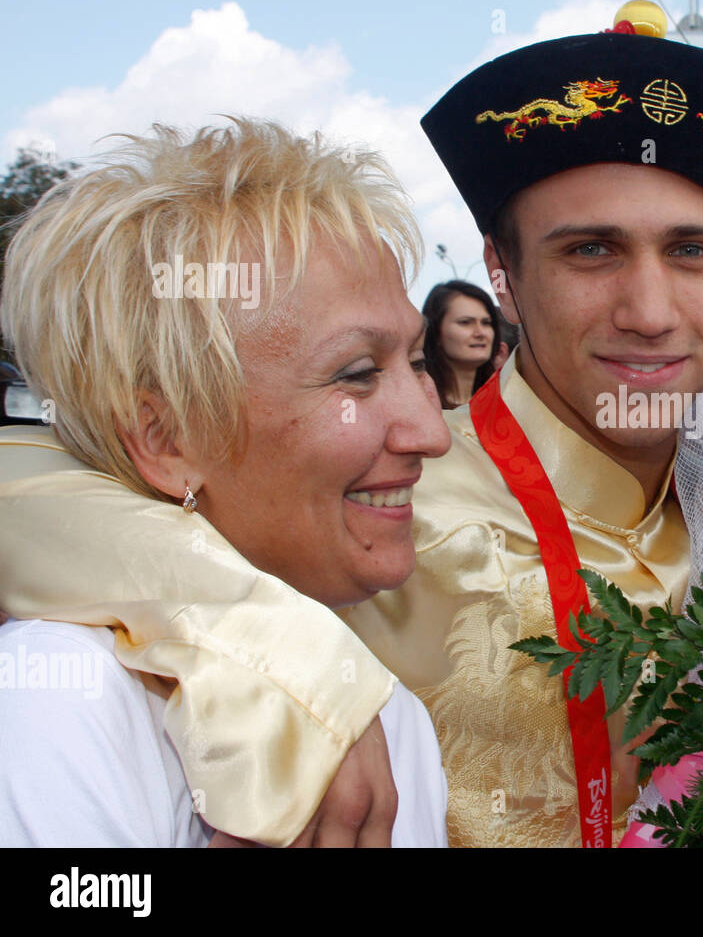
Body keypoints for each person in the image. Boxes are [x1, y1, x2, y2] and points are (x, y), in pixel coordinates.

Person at [0, 8, 703, 847]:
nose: (650, 313)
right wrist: (265, 642)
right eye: (590, 251)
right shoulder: (357, 531)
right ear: (500, 274)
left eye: (692, 251)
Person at [0, 119, 451, 846]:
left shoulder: (382, 712)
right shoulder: (53, 703)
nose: (432, 432)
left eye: (418, 362)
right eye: (357, 375)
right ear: (165, 438)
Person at [421, 279, 501, 408]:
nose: (480, 333)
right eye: (465, 322)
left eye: (486, 323)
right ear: (436, 332)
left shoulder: (505, 403)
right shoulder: (419, 405)